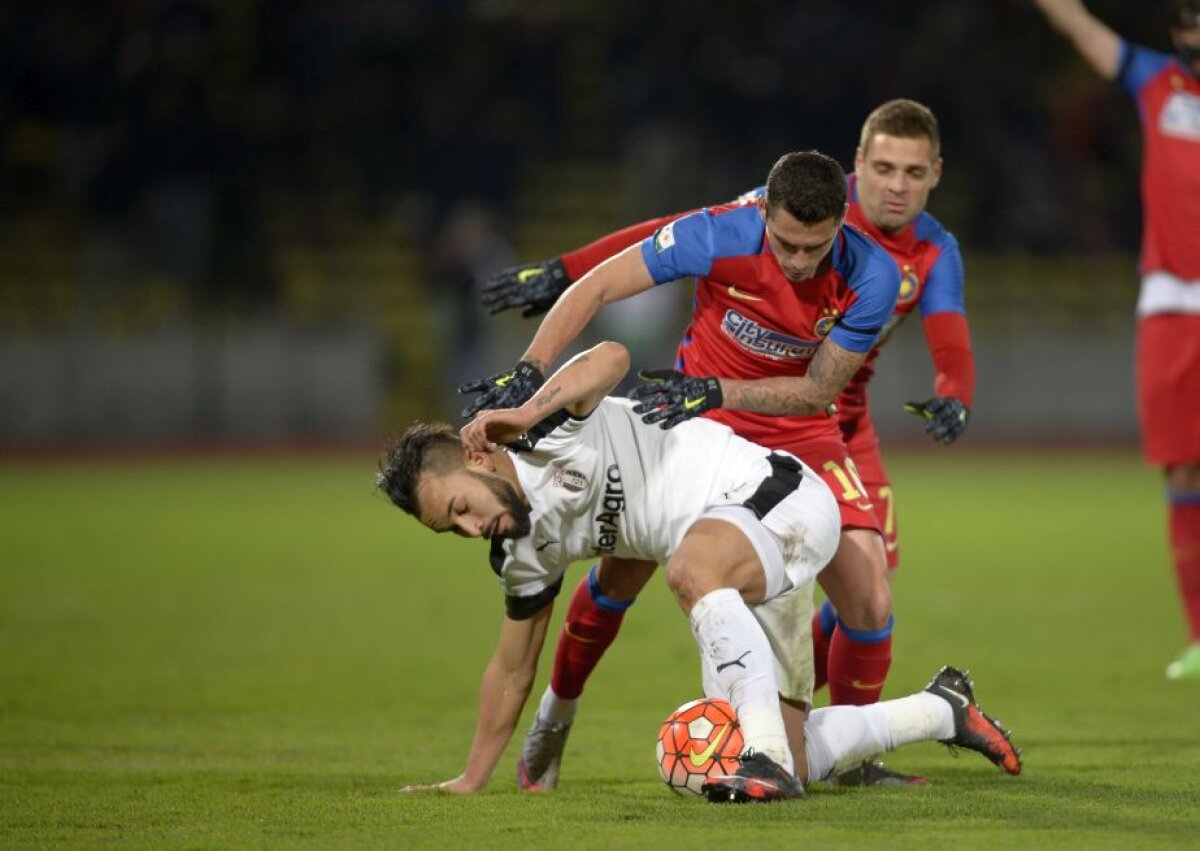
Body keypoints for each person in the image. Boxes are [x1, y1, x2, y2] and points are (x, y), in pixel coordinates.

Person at [478, 107, 976, 787]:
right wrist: (532, 363)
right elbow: (606, 280)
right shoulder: (724, 229)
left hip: (799, 427)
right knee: (622, 573)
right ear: (764, 212)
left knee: (869, 599)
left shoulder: (876, 273)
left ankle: (850, 759)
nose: (798, 262)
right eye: (785, 244)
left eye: (814, 249)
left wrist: (718, 390)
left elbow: (816, 390)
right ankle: (555, 716)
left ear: (842, 224)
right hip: (696, 420)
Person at [380, 340, 1021, 800]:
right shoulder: (519, 552)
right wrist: (471, 778)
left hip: (778, 495)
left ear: (478, 458)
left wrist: (524, 409)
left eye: (461, 508)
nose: (472, 529)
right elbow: (511, 667)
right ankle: (940, 710)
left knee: (689, 567)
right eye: (451, 530)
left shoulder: (538, 430)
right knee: (785, 755)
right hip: (736, 567)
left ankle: (766, 757)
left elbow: (612, 357)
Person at [1033, 0, 1200, 681]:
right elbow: (1078, 25)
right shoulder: (1157, 79)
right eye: (1189, 23)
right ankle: (1199, 636)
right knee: (1181, 468)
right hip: (1170, 300)